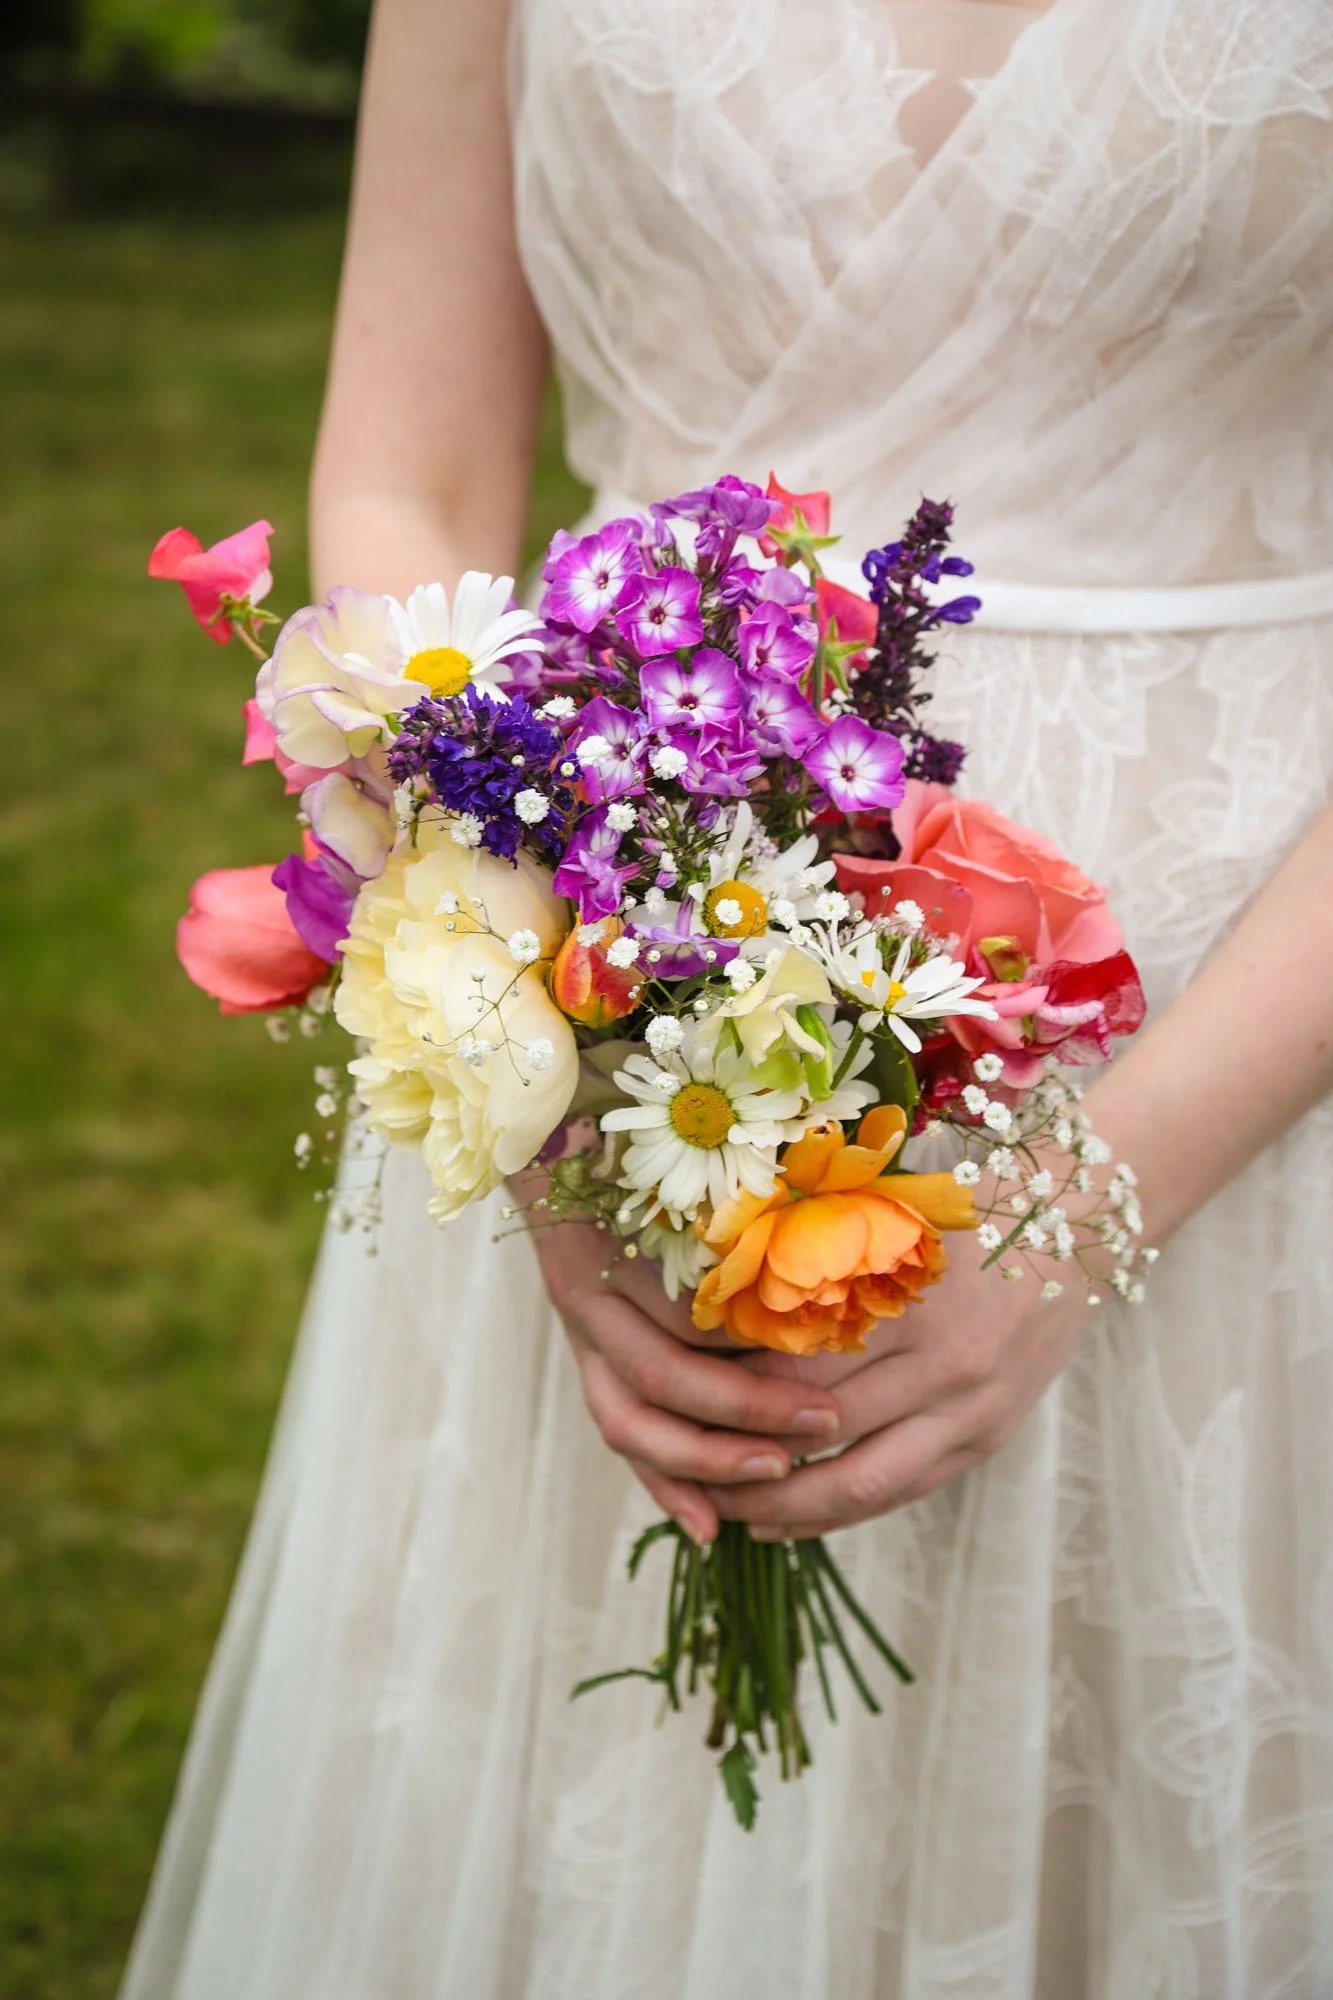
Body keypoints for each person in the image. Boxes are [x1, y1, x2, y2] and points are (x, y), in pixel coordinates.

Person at [123, 1, 1333, 1994]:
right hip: (610, 985)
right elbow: (414, 473)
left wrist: (1089, 1203)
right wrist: (540, 1071)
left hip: (1249, 1079)